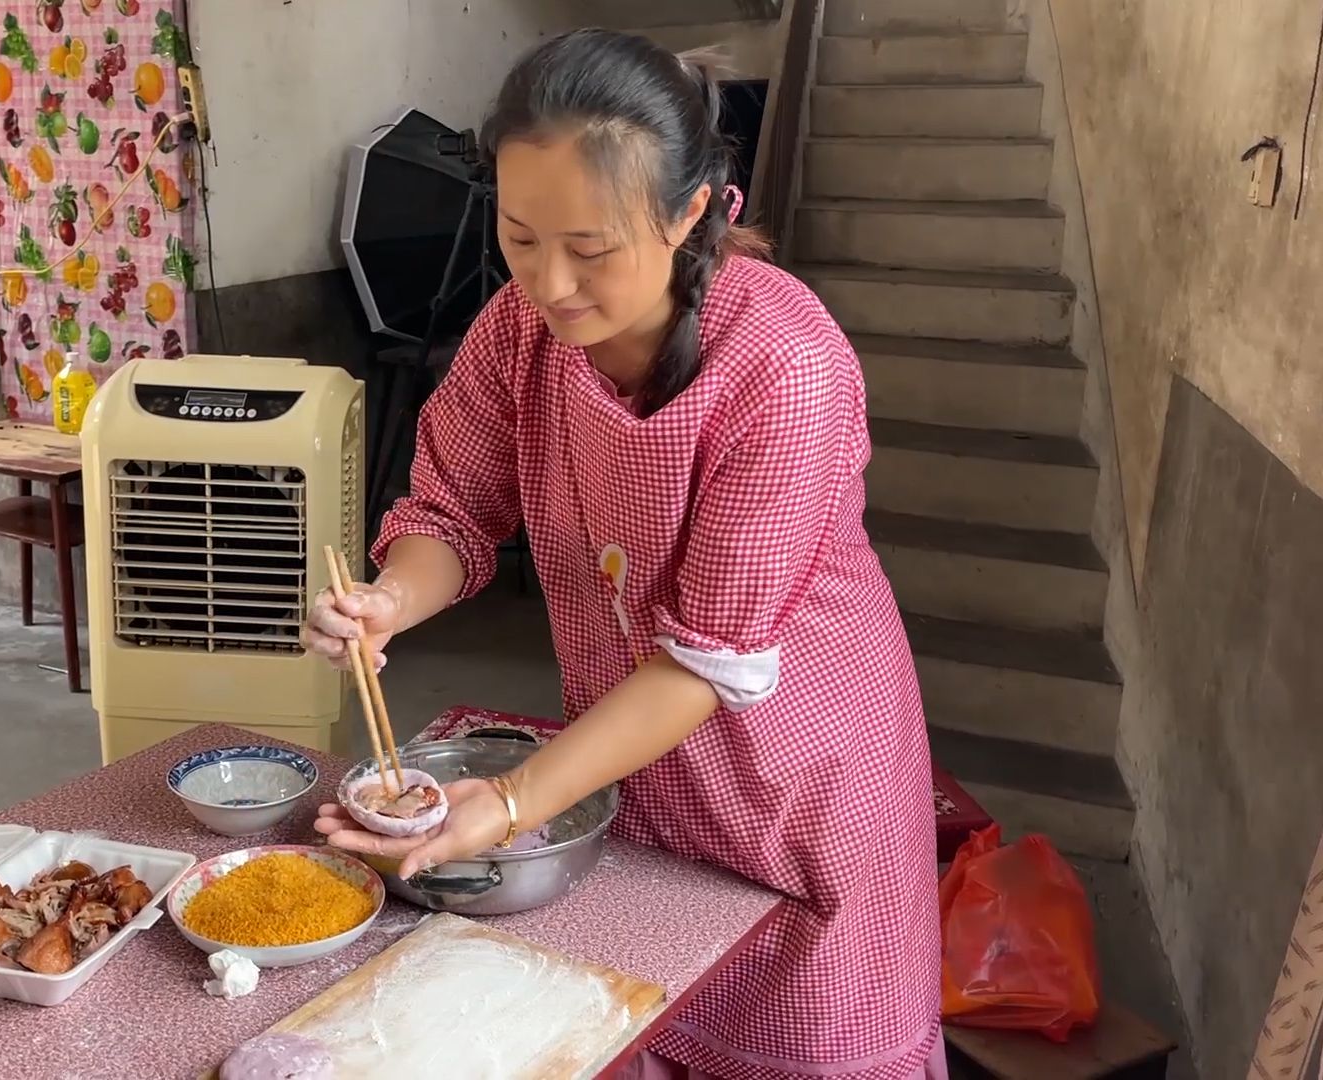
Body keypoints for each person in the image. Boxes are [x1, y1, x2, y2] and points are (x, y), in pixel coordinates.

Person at [303, 28, 944, 1080]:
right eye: (519, 239)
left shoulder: (785, 365)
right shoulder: (518, 332)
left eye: (590, 249)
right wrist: (388, 602)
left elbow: (706, 663)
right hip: (627, 764)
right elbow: (453, 511)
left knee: (808, 1042)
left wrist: (511, 802)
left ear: (690, 210)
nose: (549, 285)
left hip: (797, 783)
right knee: (640, 1019)